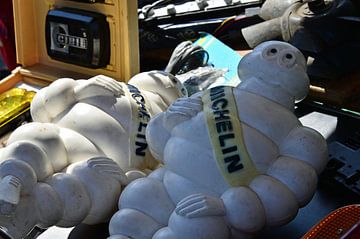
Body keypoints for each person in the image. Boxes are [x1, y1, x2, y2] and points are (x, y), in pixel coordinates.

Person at [108, 41, 328, 239]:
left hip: (214, 214)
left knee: (195, 227)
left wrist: (227, 207)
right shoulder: (218, 93)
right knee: (133, 207)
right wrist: (170, 119)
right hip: (166, 183)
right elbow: (160, 143)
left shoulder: (294, 135)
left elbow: (280, 197)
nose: (280, 57)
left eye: (289, 58)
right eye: (272, 51)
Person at [0, 71, 186, 239]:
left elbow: (153, 180)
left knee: (87, 190)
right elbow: (42, 107)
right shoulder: (111, 83)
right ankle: (12, 179)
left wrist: (125, 179)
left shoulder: (167, 132)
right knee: (36, 140)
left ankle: (27, 215)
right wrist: (77, 91)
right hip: (63, 134)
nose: (171, 82)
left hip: (99, 165)